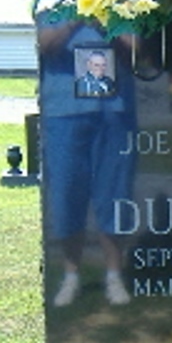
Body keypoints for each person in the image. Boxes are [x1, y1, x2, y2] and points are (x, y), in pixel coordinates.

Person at [37, 17, 135, 307]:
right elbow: (43, 46)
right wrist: (77, 20)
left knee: (114, 193)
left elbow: (135, 52)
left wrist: (106, 22)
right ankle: (71, 276)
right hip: (64, 112)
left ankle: (114, 276)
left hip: (113, 111)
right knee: (67, 193)